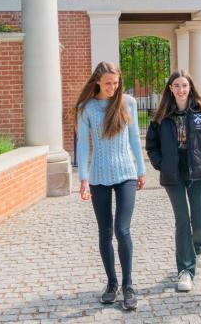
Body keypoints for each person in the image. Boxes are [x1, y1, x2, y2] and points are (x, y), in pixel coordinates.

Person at [75, 61, 146, 311]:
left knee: (122, 230)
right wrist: (83, 178)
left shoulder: (128, 103)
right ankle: (112, 283)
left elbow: (134, 137)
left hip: (126, 173)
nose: (112, 88)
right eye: (107, 83)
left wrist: (141, 169)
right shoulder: (86, 108)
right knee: (104, 232)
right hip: (98, 177)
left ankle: (128, 286)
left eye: (115, 83)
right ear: (97, 81)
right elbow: (83, 145)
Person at [145, 70, 201, 292]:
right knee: (182, 221)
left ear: (190, 88)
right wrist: (160, 163)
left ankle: (198, 248)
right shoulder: (161, 115)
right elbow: (151, 145)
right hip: (173, 175)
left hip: (198, 173)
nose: (181, 90)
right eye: (177, 86)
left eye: (185, 86)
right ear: (170, 89)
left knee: (198, 223)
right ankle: (185, 271)